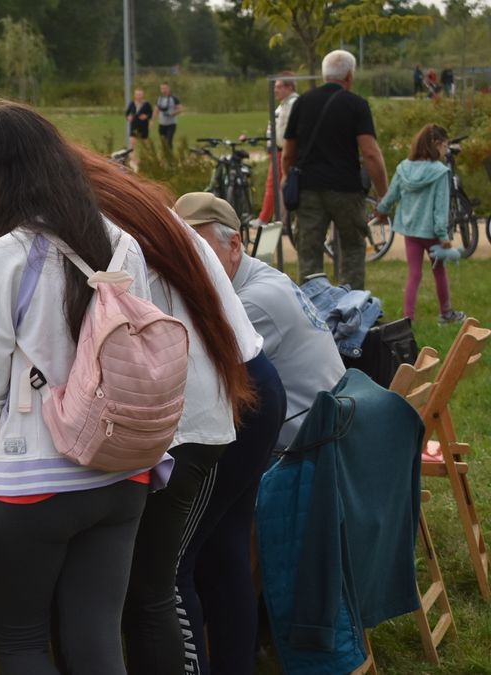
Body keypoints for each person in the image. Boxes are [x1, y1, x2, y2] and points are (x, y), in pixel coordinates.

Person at [0, 100, 160, 675]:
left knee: (21, 640)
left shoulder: (8, 254)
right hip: (123, 468)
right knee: (96, 637)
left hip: (36, 476)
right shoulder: (122, 243)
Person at [75, 148, 260, 675]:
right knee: (211, 558)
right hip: (222, 385)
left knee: (162, 582)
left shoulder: (110, 230)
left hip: (198, 408)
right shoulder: (141, 212)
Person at [179, 192, 347, 675]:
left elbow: (195, 386)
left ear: (234, 245)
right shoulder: (258, 281)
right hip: (314, 437)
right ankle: (236, 649)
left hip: (298, 454)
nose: (188, 263)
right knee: (219, 540)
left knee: (186, 544)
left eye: (199, 250)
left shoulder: (251, 303)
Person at [282, 49, 387, 290]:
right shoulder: (357, 105)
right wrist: (383, 193)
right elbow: (370, 153)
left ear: (323, 75)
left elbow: (288, 152)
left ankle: (313, 312)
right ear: (349, 76)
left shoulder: (302, 103)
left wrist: (287, 176)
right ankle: (352, 309)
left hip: (308, 190)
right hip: (346, 190)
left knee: (309, 253)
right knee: (352, 248)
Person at [376, 124, 466, 325]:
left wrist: (381, 210)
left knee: (414, 274)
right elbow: (440, 207)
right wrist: (443, 235)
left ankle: (408, 320)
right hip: (433, 233)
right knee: (439, 272)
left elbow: (392, 195)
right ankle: (446, 313)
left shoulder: (403, 168)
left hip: (411, 231)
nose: (445, 150)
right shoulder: (440, 172)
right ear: (435, 144)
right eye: (445, 145)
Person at [258, 73, 298, 224]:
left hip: (282, 150)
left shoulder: (292, 103)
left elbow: (286, 131)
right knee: (276, 185)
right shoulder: (284, 104)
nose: (276, 90)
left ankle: (268, 218)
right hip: (277, 150)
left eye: (279, 87)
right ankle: (277, 219)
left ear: (289, 87)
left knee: (275, 184)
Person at [155, 82, 182, 149]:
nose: (163, 90)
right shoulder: (159, 98)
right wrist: (152, 120)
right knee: (163, 142)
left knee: (169, 141)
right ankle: (165, 156)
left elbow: (180, 109)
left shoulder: (174, 98)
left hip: (171, 124)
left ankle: (169, 156)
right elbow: (156, 109)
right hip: (162, 124)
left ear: (168, 89)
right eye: (162, 88)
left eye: (165, 88)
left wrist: (173, 113)